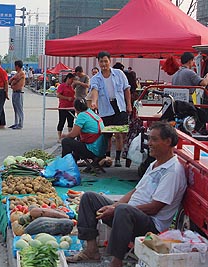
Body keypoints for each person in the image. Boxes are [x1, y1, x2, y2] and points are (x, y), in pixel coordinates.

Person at [66, 121, 187, 267]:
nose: (149, 143)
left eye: (154, 139)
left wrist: (117, 208)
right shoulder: (154, 164)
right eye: (149, 139)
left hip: (151, 225)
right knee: (89, 198)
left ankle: (116, 262)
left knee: (124, 210)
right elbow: (135, 190)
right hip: (129, 214)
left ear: (168, 142)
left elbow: (155, 208)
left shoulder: (172, 171)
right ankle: (91, 250)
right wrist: (115, 205)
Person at [90, 51, 132, 167]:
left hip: (119, 106)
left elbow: (126, 89)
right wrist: (94, 102)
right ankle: (107, 158)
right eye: (101, 61)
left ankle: (118, 158)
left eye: (105, 61)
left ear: (110, 61)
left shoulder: (119, 74)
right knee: (106, 135)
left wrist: (129, 105)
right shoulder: (95, 78)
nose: (104, 64)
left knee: (119, 134)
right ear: (98, 62)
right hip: (105, 108)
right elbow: (94, 90)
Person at [61, 98, 106, 162]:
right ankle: (74, 159)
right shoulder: (91, 113)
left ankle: (66, 165)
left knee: (66, 141)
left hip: (93, 150)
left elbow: (73, 134)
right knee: (78, 138)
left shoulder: (82, 115)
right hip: (101, 149)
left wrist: (64, 135)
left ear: (76, 108)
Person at [56, 73, 76, 142]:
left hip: (71, 106)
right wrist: (67, 98)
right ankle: (59, 136)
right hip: (63, 107)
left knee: (71, 122)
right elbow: (58, 95)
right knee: (62, 121)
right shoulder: (62, 86)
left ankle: (70, 136)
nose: (72, 81)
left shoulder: (72, 87)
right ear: (68, 78)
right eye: (72, 80)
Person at [8, 60, 26, 130]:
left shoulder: (21, 73)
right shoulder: (17, 73)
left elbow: (13, 79)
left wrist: (12, 81)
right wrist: (12, 82)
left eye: (15, 66)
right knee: (15, 109)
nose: (14, 67)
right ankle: (16, 123)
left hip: (19, 93)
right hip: (14, 92)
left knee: (19, 109)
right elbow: (11, 81)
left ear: (17, 66)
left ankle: (20, 124)